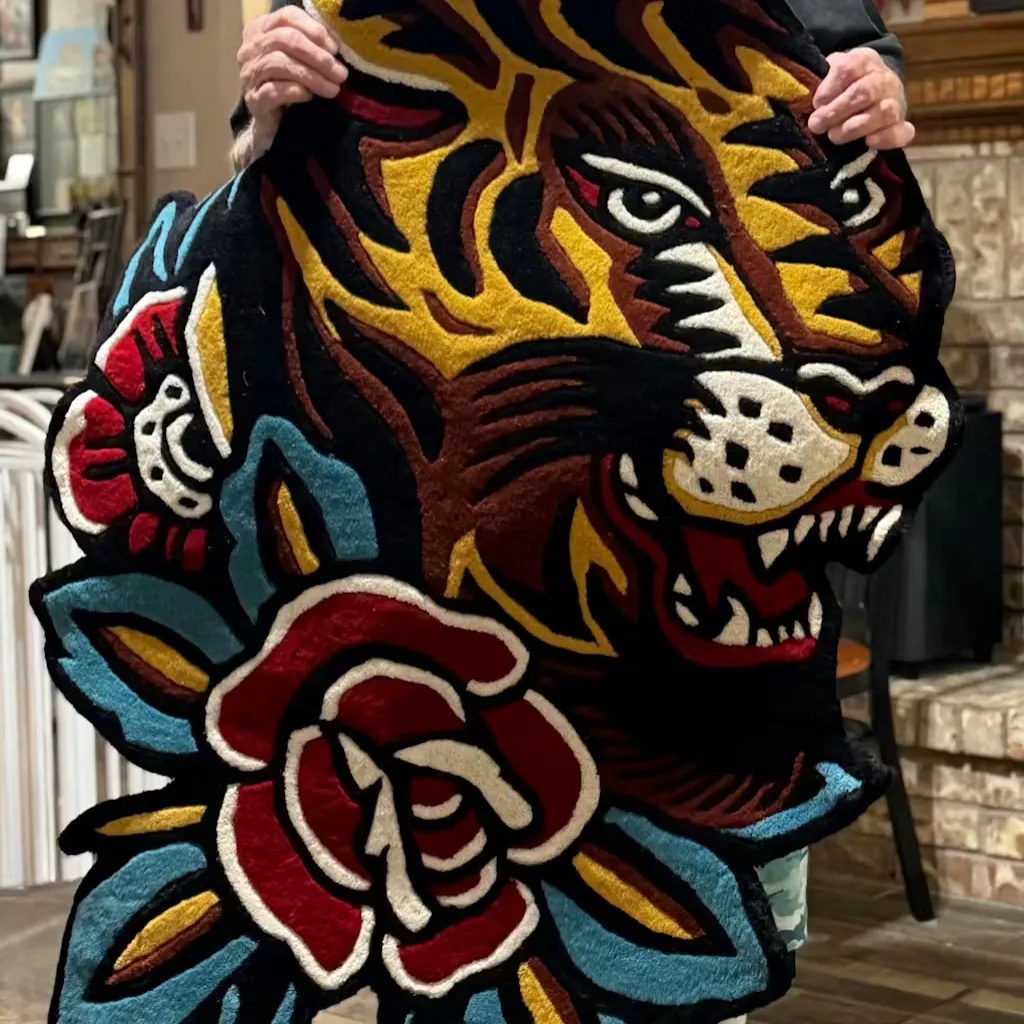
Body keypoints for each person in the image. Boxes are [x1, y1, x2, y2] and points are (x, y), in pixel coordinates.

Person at [227, 6, 910, 1024]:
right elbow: (279, 222)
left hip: (701, 596)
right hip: (461, 616)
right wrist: (264, 123)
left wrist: (879, 98)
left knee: (701, 973)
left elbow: (855, 86)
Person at [230, 0, 914, 171]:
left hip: (683, 352)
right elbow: (254, 150)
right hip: (430, 367)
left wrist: (877, 89)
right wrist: (267, 113)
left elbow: (862, 55)